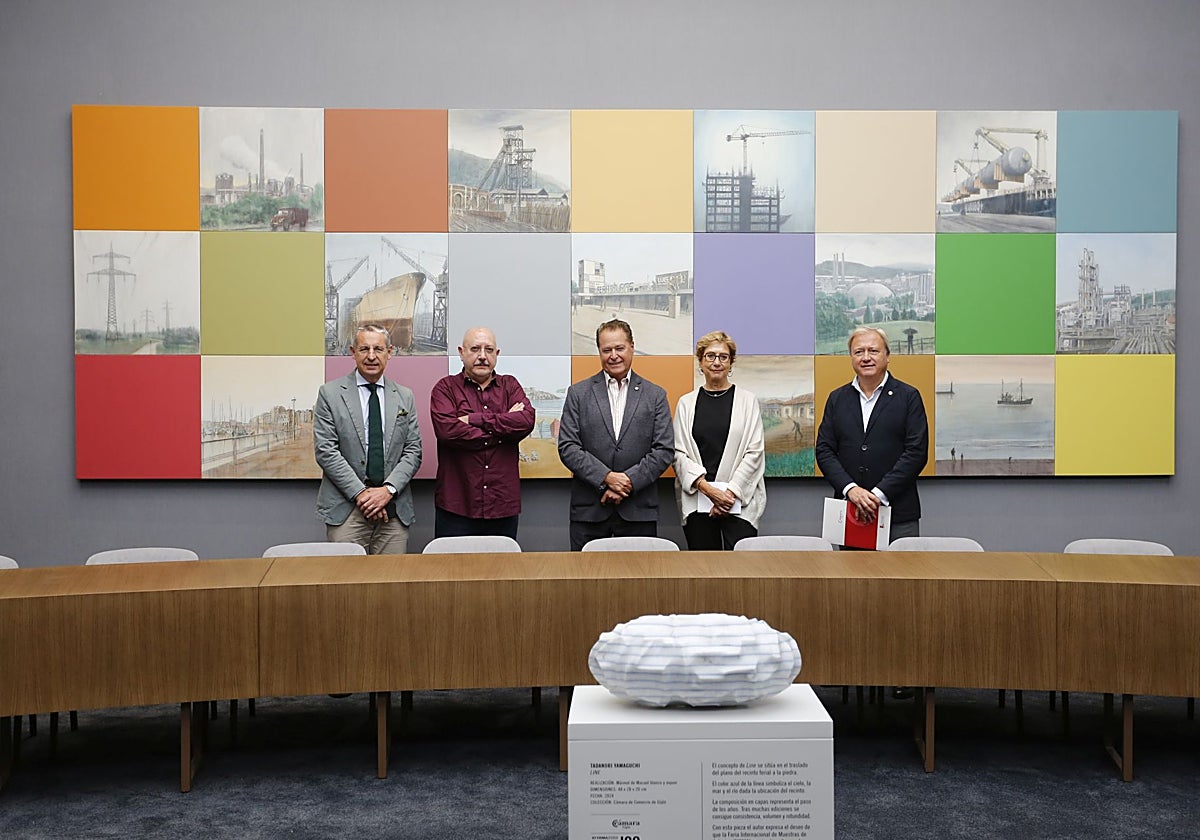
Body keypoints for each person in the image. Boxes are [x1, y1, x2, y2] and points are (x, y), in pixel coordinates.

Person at [558, 319, 674, 551]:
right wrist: (607, 478)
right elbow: (568, 446)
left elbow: (664, 450)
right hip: (589, 511)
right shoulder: (578, 393)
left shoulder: (655, 395)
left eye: (619, 348)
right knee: (587, 583)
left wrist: (627, 482)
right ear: (599, 351)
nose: (613, 355)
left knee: (640, 584)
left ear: (632, 346)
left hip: (638, 510)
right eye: (606, 350)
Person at [313, 324, 422, 554]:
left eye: (378, 349)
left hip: (393, 510)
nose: (371, 356)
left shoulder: (405, 396)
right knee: (346, 585)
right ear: (353, 352)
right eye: (364, 349)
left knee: (391, 583)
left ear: (389, 352)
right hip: (347, 509)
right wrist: (362, 495)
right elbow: (326, 451)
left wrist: (387, 491)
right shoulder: (330, 394)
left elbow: (413, 451)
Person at [815, 326, 928, 542]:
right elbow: (824, 450)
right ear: (851, 357)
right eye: (859, 352)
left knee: (901, 575)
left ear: (887, 356)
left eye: (873, 351)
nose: (866, 358)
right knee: (851, 575)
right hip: (849, 509)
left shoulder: (908, 397)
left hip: (897, 513)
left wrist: (878, 494)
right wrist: (851, 490)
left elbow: (916, 453)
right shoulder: (837, 399)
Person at [429, 327, 536, 539]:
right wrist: (504, 430)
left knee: (503, 571)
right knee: (452, 571)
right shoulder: (445, 389)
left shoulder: (510, 385)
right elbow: (447, 432)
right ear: (461, 352)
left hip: (502, 504)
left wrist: (474, 420)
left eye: (489, 350)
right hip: (457, 504)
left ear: (497, 354)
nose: (482, 356)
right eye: (475, 349)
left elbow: (526, 421)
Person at [672, 331, 766, 550]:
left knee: (741, 576)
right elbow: (678, 454)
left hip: (740, 502)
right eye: (710, 356)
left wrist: (729, 495)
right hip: (698, 500)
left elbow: (755, 453)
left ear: (731, 362)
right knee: (705, 574)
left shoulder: (748, 401)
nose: (716, 362)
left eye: (723, 357)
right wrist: (709, 491)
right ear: (701, 361)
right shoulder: (686, 403)